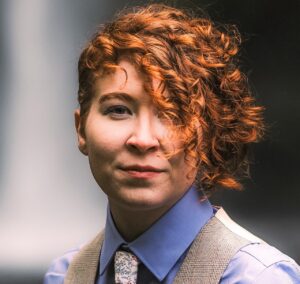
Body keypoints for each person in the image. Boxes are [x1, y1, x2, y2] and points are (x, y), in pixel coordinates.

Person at [44, 3, 300, 284]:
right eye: (118, 110)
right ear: (81, 129)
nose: (142, 140)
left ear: (210, 131)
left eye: (173, 114)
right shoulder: (64, 275)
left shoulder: (257, 278)